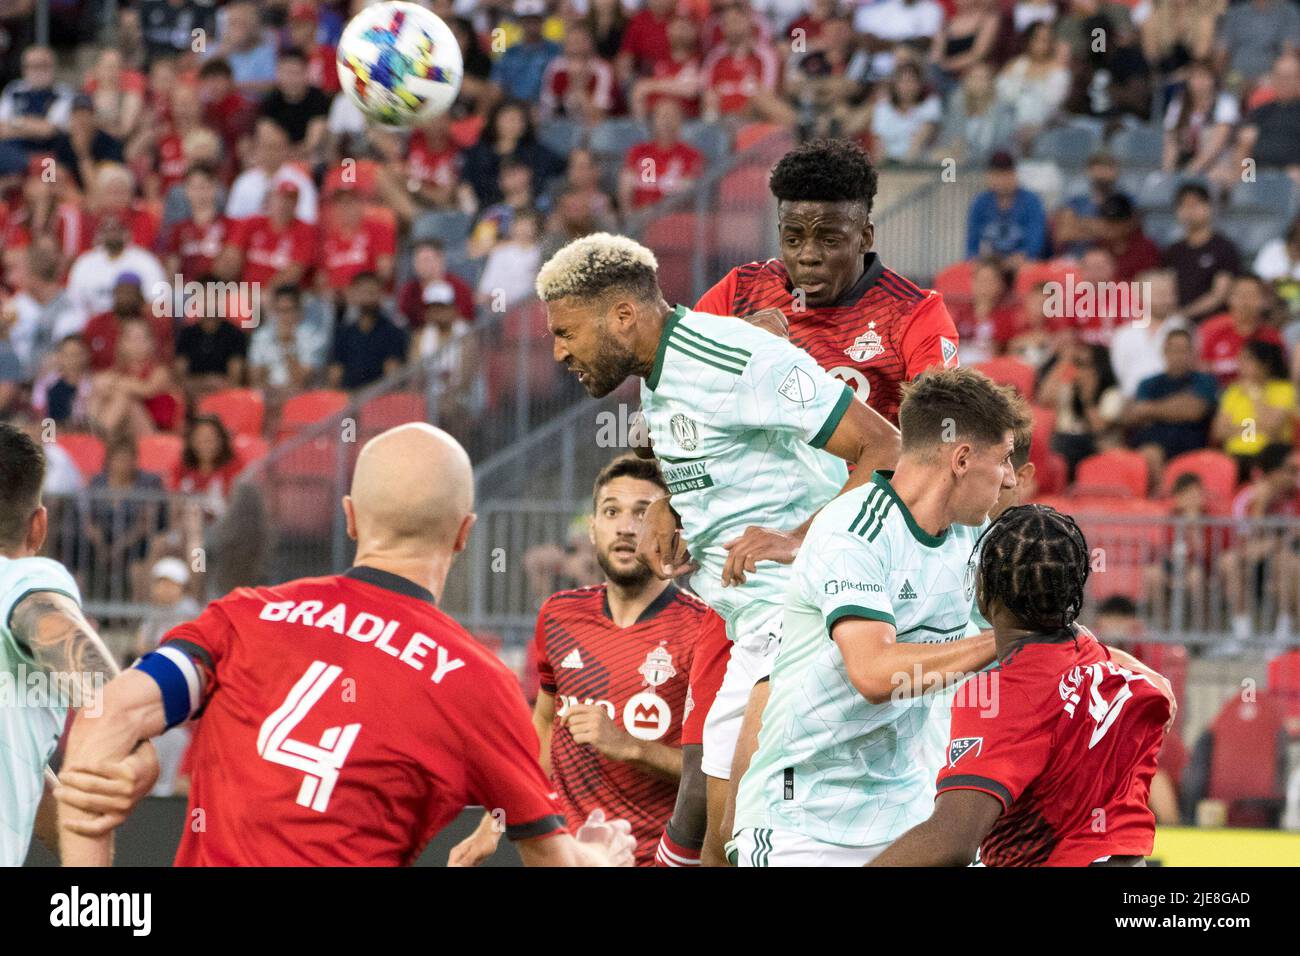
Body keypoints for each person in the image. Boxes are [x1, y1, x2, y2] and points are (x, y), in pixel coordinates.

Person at [56, 423, 637, 867]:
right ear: (464, 533)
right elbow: (551, 857)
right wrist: (599, 856)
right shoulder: (478, 682)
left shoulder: (246, 615)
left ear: (351, 519)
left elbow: (104, 720)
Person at [538, 231, 902, 866]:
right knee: (718, 848)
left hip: (806, 618)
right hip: (745, 622)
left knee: (753, 844)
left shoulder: (733, 357)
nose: (559, 351)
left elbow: (886, 449)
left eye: (567, 332)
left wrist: (798, 539)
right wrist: (670, 508)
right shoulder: (660, 377)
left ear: (623, 315)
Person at [675, 137, 960, 864]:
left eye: (828, 238)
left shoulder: (914, 318)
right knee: (693, 796)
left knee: (773, 768)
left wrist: (806, 535)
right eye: (793, 236)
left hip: (856, 572)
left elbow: (930, 455)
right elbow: (677, 406)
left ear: (865, 234)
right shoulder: (741, 294)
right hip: (742, 569)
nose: (807, 255)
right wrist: (671, 505)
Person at [733, 368, 1029, 865]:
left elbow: (1038, 636)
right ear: (961, 458)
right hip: (800, 818)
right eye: (1003, 460)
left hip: (901, 811)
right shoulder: (852, 530)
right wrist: (1004, 639)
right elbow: (873, 672)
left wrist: (1117, 668)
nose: (1011, 478)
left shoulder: (971, 542)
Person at [449, 455, 726, 867]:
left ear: (670, 530)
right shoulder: (558, 615)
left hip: (662, 860)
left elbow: (718, 774)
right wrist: (494, 822)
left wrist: (631, 747)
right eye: (611, 511)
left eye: (644, 513)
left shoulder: (705, 627)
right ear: (593, 528)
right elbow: (544, 724)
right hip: (574, 856)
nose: (627, 526)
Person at [870, 505, 1174, 866]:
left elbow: (953, 840)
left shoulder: (999, 695)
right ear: (1075, 591)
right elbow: (1158, 695)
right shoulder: (1119, 672)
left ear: (982, 592)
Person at [0, 422, 156, 866]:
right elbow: (46, 618)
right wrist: (135, 741)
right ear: (38, 526)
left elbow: (22, 761)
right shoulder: (21, 576)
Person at [1125, 328, 1219, 468]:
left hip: (1191, 443)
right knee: (1147, 454)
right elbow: (1135, 414)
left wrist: (1151, 409)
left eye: (1184, 350)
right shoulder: (1148, 383)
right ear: (1164, 352)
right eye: (1174, 349)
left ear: (1193, 353)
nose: (1179, 355)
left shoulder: (1205, 381)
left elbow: (1194, 410)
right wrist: (1178, 405)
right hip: (1152, 444)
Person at [1212, 339, 1296, 476]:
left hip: (1270, 457)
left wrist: (1255, 395)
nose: (1241, 365)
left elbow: (1272, 426)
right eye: (1240, 359)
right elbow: (1219, 431)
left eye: (1247, 360)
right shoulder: (1233, 391)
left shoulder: (1284, 390)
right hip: (1236, 456)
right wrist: (1255, 426)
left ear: (1265, 364)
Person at [1161, 182, 1242, 323]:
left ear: (1209, 208)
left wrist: (1184, 314)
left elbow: (1219, 294)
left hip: (1213, 320)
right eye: (1184, 205)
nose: (1189, 211)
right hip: (1177, 322)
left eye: (1195, 204)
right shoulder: (1173, 250)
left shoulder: (1224, 248)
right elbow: (1167, 285)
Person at [1198, 273, 1287, 386]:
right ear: (1229, 298)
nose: (1245, 302)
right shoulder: (1211, 329)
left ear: (1263, 301)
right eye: (1240, 294)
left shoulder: (1272, 337)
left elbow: (1279, 377)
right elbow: (1202, 371)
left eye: (1251, 295)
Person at [965, 150, 1049, 266]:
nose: (1001, 181)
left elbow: (1035, 245)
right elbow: (972, 247)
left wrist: (1015, 260)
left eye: (1006, 174)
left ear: (1014, 174)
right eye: (997, 175)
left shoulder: (1031, 202)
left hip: (1021, 265)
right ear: (989, 176)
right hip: (991, 266)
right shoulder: (980, 203)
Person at [328, 272, 408, 391]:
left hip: (379, 400)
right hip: (348, 399)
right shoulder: (343, 333)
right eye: (363, 292)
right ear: (353, 295)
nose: (368, 298)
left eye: (372, 292)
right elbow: (335, 374)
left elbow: (392, 374)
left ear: (381, 296)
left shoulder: (393, 332)